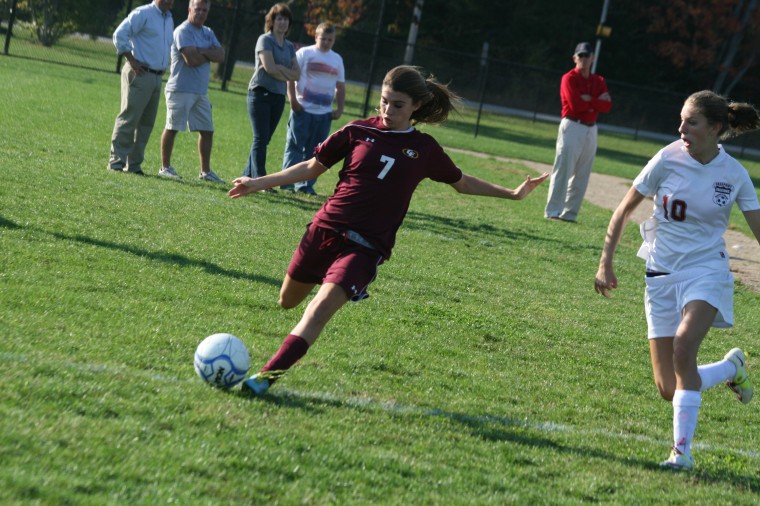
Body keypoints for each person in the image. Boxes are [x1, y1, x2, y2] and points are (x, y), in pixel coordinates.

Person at [228, 65, 549, 396]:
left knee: (319, 309)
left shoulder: (424, 149)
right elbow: (312, 168)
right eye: (384, 101)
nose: (388, 110)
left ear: (416, 106)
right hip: (325, 229)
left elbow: (462, 182)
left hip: (366, 247)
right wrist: (258, 182)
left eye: (397, 105)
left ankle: (265, 378)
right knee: (287, 301)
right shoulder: (356, 131)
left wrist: (512, 193)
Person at [594, 90, 760, 470]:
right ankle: (730, 368)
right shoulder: (666, 158)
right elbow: (623, 210)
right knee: (669, 388)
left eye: (691, 122)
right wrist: (606, 263)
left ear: (715, 128)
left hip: (707, 270)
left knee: (684, 347)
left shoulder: (734, 174)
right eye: (681, 120)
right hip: (660, 275)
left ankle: (681, 453)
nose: (681, 128)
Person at [158, 0, 226, 184]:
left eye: (205, 10)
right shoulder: (183, 31)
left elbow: (221, 55)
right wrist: (208, 53)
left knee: (207, 131)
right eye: (198, 9)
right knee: (172, 127)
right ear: (190, 9)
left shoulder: (208, 32)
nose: (201, 13)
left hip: (200, 92)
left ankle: (205, 172)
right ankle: (165, 168)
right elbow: (191, 60)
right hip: (180, 89)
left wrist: (201, 51)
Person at [545, 42, 612, 222]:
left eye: (586, 55)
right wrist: (595, 101)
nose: (583, 59)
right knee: (564, 169)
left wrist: (589, 99)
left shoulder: (599, 81)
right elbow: (575, 105)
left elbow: (607, 106)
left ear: (592, 58)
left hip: (591, 128)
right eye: (580, 55)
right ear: (574, 58)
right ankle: (553, 211)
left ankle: (570, 213)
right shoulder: (569, 78)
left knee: (582, 173)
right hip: (572, 125)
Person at [109, 0, 175, 176]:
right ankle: (116, 162)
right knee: (129, 118)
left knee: (146, 124)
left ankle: (133, 165)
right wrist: (131, 60)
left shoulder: (168, 18)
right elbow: (119, 34)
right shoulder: (143, 13)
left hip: (156, 77)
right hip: (140, 73)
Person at [279, 22, 345, 196]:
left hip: (324, 114)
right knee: (294, 147)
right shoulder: (304, 53)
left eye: (330, 40)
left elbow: (340, 86)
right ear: (316, 37)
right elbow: (291, 78)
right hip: (302, 110)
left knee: (316, 152)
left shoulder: (337, 59)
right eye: (323, 39)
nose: (326, 42)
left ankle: (305, 186)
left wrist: (339, 109)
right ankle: (286, 184)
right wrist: (293, 100)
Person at [241, 3, 300, 192]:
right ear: (272, 21)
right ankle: (261, 182)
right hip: (260, 93)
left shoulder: (289, 46)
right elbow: (269, 68)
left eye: (285, 19)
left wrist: (280, 69)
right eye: (279, 18)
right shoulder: (264, 40)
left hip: (278, 96)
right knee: (260, 138)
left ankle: (246, 176)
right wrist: (284, 70)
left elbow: (297, 74)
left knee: (264, 139)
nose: (282, 22)